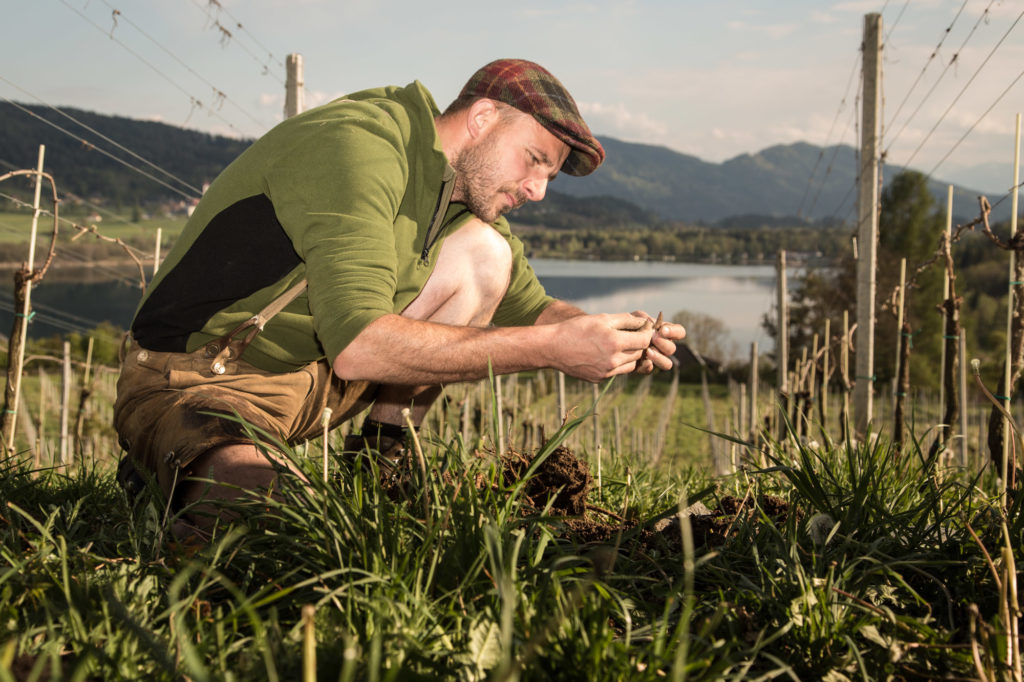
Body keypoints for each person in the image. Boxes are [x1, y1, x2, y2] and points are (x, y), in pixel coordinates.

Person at [113, 58, 684, 534]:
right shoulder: (358, 148)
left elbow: (533, 309)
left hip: (308, 386)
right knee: (297, 528)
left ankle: (381, 466)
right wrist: (553, 350)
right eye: (535, 160)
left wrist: (610, 333)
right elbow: (360, 348)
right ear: (484, 118)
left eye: (550, 178)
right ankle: (180, 465)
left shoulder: (458, 186)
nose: (537, 190)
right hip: (199, 379)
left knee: (488, 255)